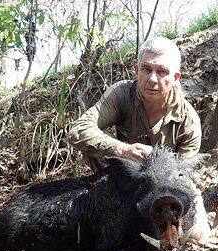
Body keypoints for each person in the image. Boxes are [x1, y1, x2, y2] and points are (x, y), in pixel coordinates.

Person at [68, 37, 202, 172]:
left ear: (175, 77)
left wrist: (159, 161)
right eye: (146, 69)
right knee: (94, 137)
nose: (152, 79)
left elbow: (184, 173)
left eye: (162, 71)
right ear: (137, 71)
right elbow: (78, 129)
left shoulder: (188, 121)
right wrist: (122, 149)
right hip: (120, 177)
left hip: (162, 183)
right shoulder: (121, 93)